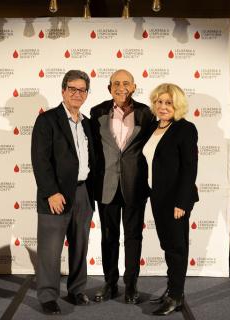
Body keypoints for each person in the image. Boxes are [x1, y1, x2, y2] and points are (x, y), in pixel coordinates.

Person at [31, 70, 95, 315]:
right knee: (50, 248)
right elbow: (40, 160)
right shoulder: (47, 120)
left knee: (80, 245)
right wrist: (50, 192)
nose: (77, 94)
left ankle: (77, 290)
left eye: (82, 90)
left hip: (83, 193)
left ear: (87, 94)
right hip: (56, 195)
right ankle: (47, 295)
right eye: (72, 89)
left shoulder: (87, 123)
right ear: (63, 91)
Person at [90, 69, 154, 304]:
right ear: (109, 88)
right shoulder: (97, 111)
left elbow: (153, 147)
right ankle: (109, 283)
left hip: (134, 184)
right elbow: (95, 150)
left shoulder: (146, 113)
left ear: (134, 87)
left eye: (126, 83)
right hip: (106, 184)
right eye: (116, 83)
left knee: (133, 237)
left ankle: (131, 285)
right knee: (108, 237)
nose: (121, 87)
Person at [142, 83, 199, 316]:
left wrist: (182, 203)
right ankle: (172, 290)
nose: (163, 107)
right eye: (159, 102)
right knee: (167, 246)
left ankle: (175, 296)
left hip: (176, 200)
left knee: (177, 247)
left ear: (177, 105)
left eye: (168, 102)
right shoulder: (153, 128)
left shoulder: (185, 129)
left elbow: (189, 169)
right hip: (157, 197)